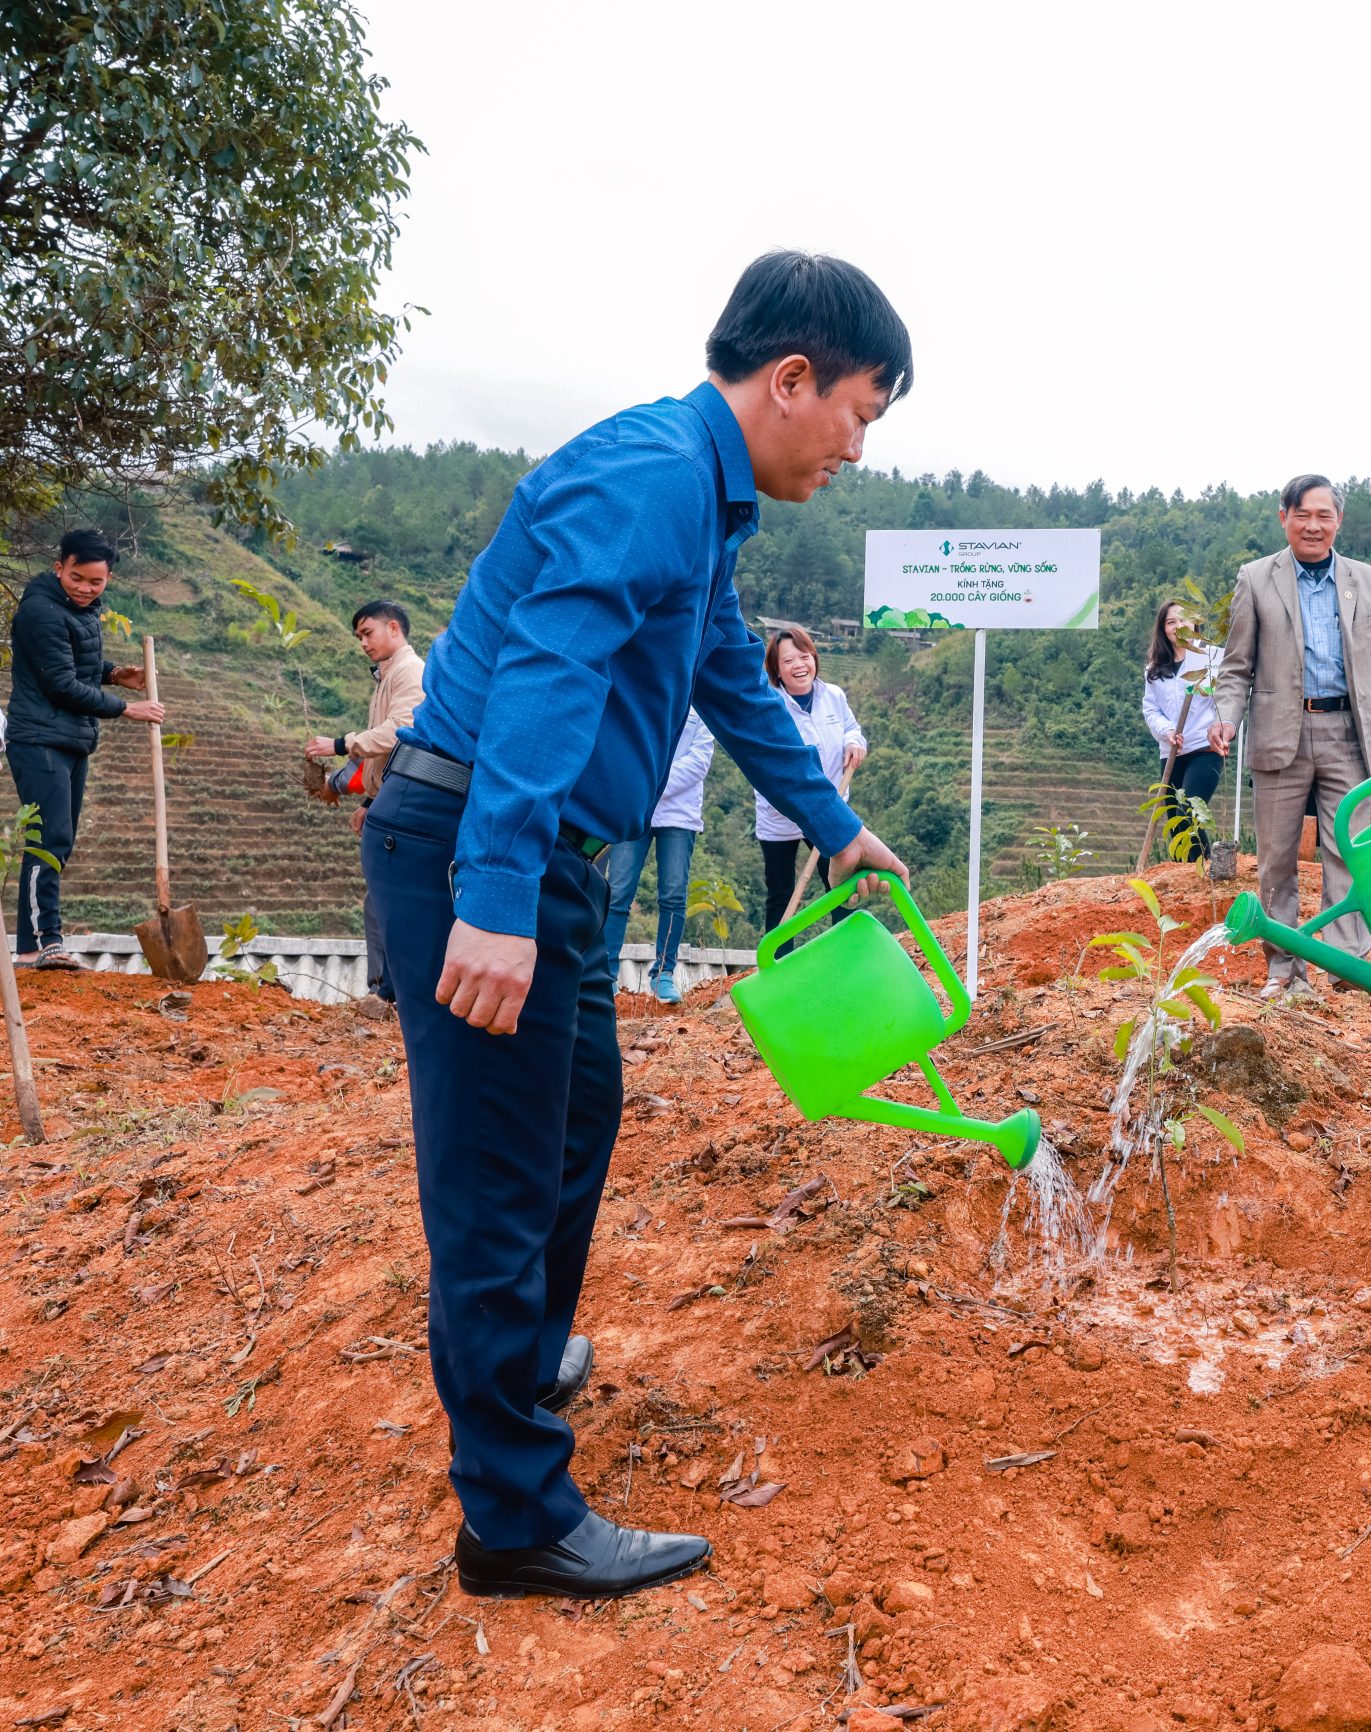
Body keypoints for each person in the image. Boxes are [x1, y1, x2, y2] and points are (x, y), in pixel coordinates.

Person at [366, 250, 912, 1599]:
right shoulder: (657, 477)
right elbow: (547, 674)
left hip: (551, 862)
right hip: (480, 853)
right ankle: (513, 1517)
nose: (856, 445)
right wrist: (491, 899)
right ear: (791, 380)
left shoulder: (702, 502)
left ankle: (530, 1355)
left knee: (573, 1118)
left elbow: (724, 667)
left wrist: (833, 825)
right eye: (860, 411)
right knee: (497, 1187)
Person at [1209, 475, 1371, 998]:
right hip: (1279, 731)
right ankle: (1285, 969)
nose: (1313, 526)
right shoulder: (1256, 578)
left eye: (1323, 516)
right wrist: (1226, 715)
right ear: (1284, 518)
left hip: (1349, 732)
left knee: (1350, 851)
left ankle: (1344, 965)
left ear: (1339, 520)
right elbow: (1236, 667)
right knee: (1276, 856)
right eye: (1302, 515)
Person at [6, 529, 167, 968]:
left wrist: (115, 673)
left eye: (95, 582)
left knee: (58, 840)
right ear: (60, 568)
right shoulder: (40, 611)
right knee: (47, 839)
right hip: (38, 737)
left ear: (108, 578)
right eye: (77, 577)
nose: (85, 588)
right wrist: (126, 708)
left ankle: (29, 948)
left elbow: (78, 663)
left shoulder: (80, 611)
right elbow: (59, 684)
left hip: (68, 738)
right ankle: (46, 942)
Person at [303, 600, 426, 1001]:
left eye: (367, 633)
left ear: (394, 628)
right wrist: (371, 802)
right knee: (382, 898)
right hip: (390, 799)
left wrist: (340, 744)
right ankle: (388, 989)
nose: (363, 643)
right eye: (358, 637)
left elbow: (400, 733)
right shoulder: (386, 677)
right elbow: (385, 759)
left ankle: (389, 992)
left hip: (408, 802)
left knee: (388, 900)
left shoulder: (410, 672)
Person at [754, 623, 867, 938]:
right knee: (780, 893)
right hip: (780, 815)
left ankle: (845, 950)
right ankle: (778, 962)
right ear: (777, 670)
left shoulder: (833, 695)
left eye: (803, 657)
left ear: (814, 658)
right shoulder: (769, 704)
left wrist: (854, 744)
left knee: (838, 885)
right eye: (788, 661)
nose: (798, 666)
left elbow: (851, 727)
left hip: (827, 808)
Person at [602, 708, 712, 1003]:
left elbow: (699, 762)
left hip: (680, 816)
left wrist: (653, 784)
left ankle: (663, 973)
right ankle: (606, 974)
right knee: (618, 893)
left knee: (674, 896)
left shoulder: (700, 709)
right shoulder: (648, 693)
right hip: (635, 811)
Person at [1144, 597, 1226, 860]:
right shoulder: (1155, 669)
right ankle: (1186, 878)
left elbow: (1232, 694)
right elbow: (1151, 709)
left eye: (1183, 618)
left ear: (1195, 622)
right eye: (1171, 621)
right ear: (1163, 629)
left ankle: (1207, 870)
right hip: (1171, 752)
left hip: (1205, 748)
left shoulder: (1214, 657)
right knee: (1175, 825)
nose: (1178, 625)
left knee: (1189, 811)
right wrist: (1167, 731)